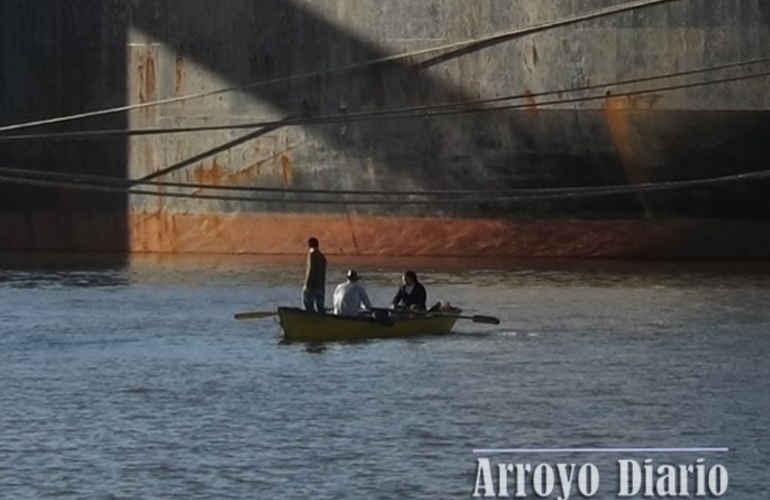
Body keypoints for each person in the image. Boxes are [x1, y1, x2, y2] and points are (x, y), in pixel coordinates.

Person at [302, 237, 327, 313]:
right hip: (321, 286)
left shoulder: (312, 254)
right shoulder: (322, 257)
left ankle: (308, 318)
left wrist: (307, 285)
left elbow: (311, 269)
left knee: (308, 305)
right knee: (320, 309)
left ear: (309, 245)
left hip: (312, 286)